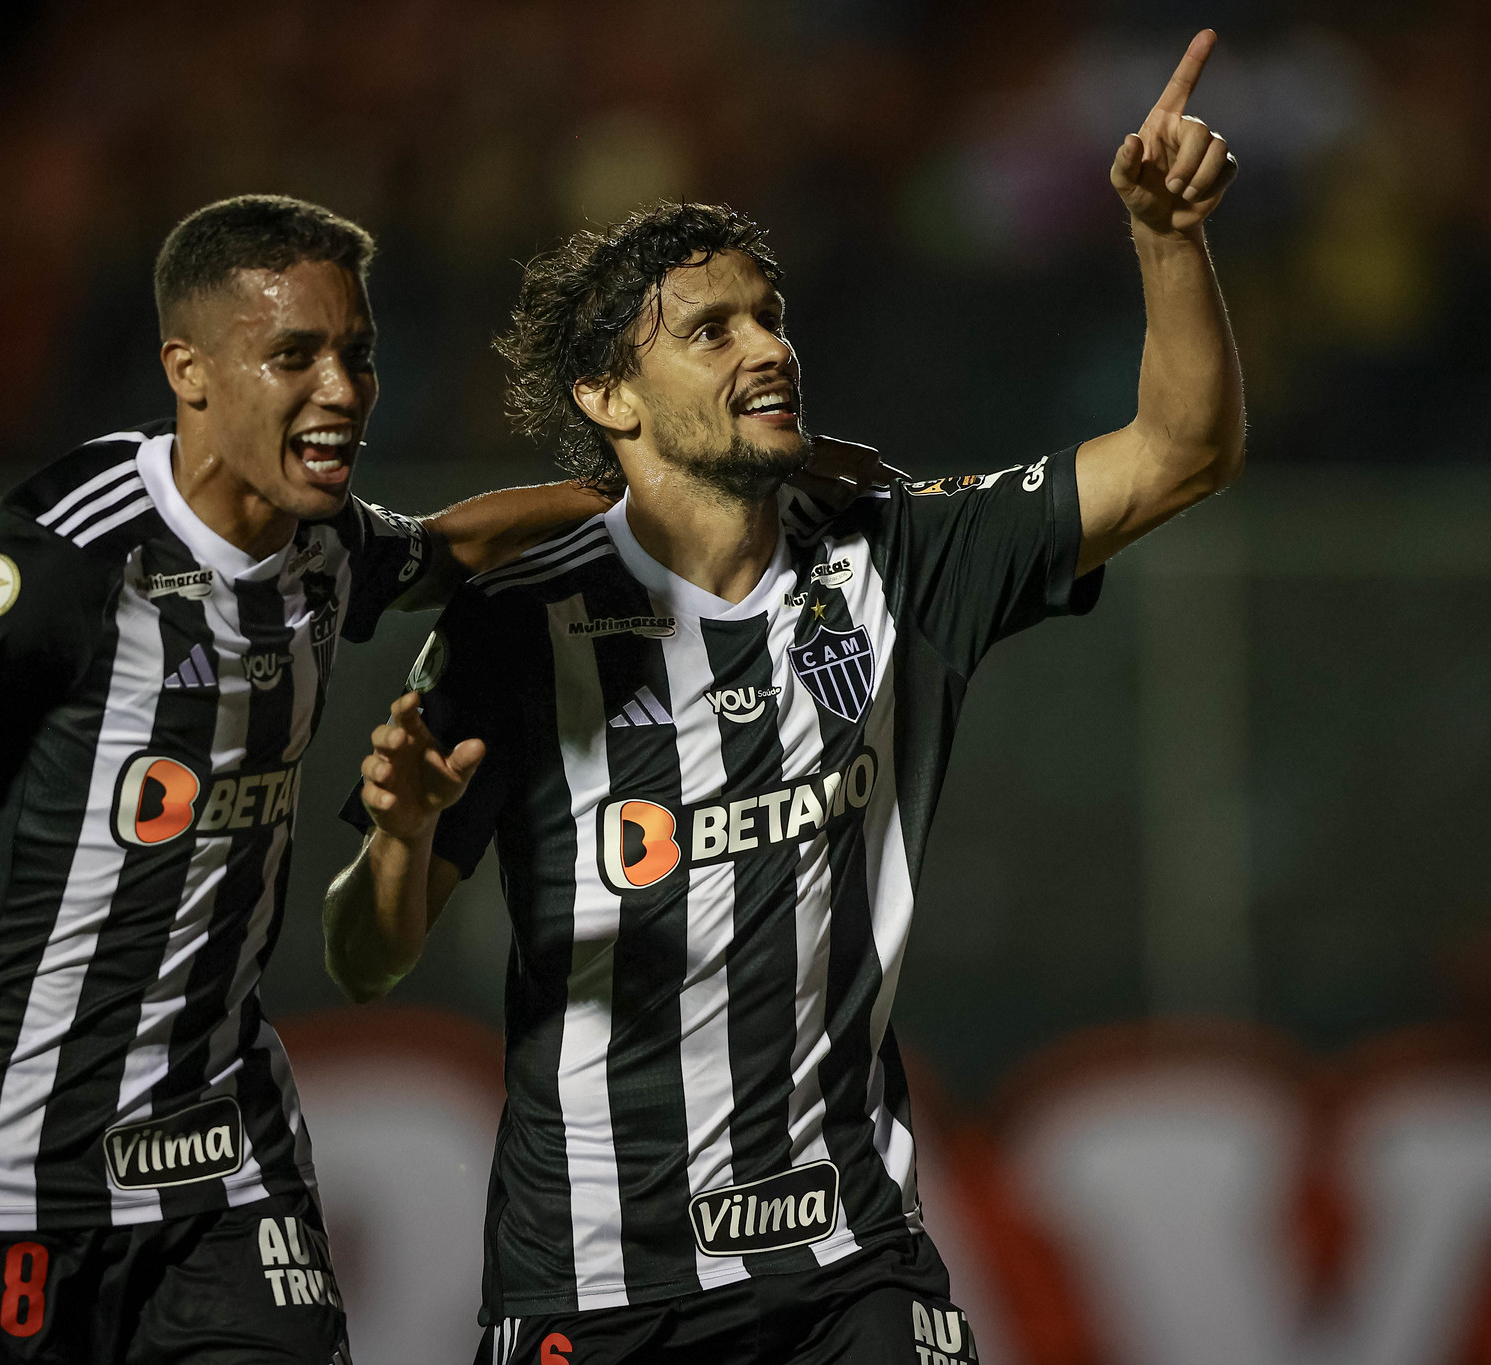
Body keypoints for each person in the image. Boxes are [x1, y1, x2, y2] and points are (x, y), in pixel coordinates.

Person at [325, 29, 1243, 1363]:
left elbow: (1184, 453)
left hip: (848, 1263)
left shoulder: (901, 555)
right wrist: (403, 834)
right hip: (597, 1281)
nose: (766, 348)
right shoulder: (518, 629)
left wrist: (1166, 238)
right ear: (610, 396)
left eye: (771, 316)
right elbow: (369, 954)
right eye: (712, 330)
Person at [0, 194, 614, 1364]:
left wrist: (653, 500)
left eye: (357, 352)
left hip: (220, 1161)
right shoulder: (71, 549)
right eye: (293, 354)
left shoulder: (326, 545)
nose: (341, 389)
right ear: (187, 370)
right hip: (5, 1171)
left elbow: (443, 549)